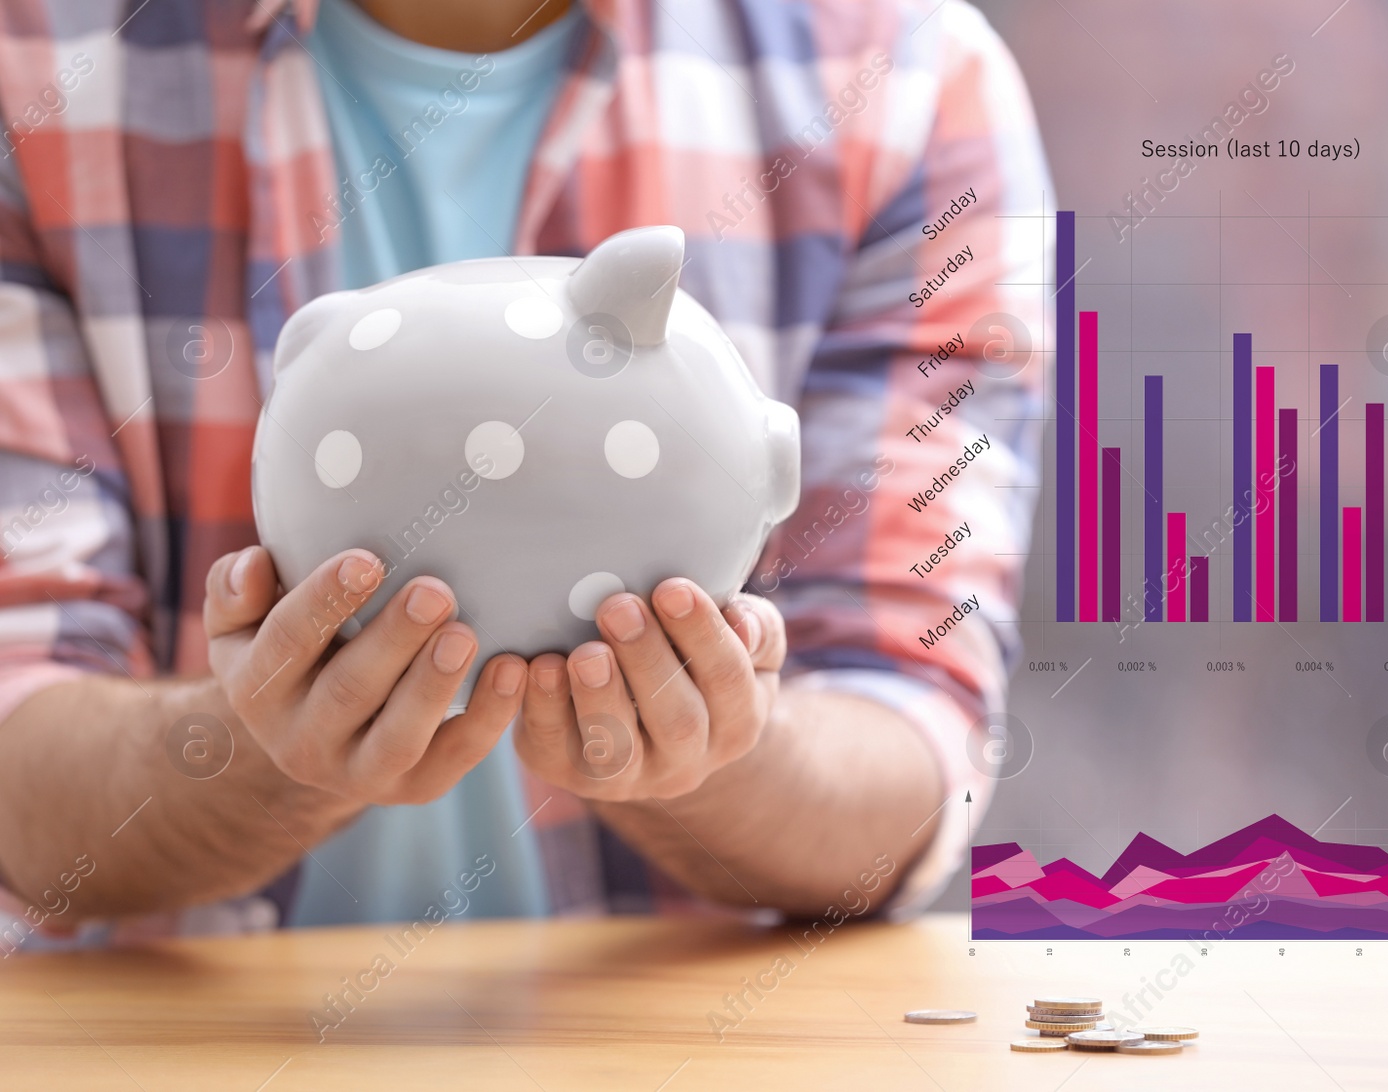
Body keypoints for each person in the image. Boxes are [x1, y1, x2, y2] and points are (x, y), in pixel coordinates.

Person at [0, 0, 1048, 944]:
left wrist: (711, 752)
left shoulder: (908, 78)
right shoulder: (30, 65)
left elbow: (909, 763)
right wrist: (253, 754)